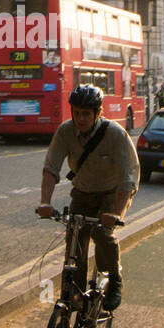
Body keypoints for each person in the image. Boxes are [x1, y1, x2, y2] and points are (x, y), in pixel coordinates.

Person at [36, 83, 140, 312]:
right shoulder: (65, 131)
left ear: (98, 114)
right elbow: (51, 168)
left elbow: (127, 179)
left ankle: (114, 278)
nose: (80, 118)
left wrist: (116, 213)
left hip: (112, 192)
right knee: (75, 237)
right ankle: (75, 289)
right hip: (83, 191)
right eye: (76, 113)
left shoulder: (115, 134)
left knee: (102, 232)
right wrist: (45, 202)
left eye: (86, 114)